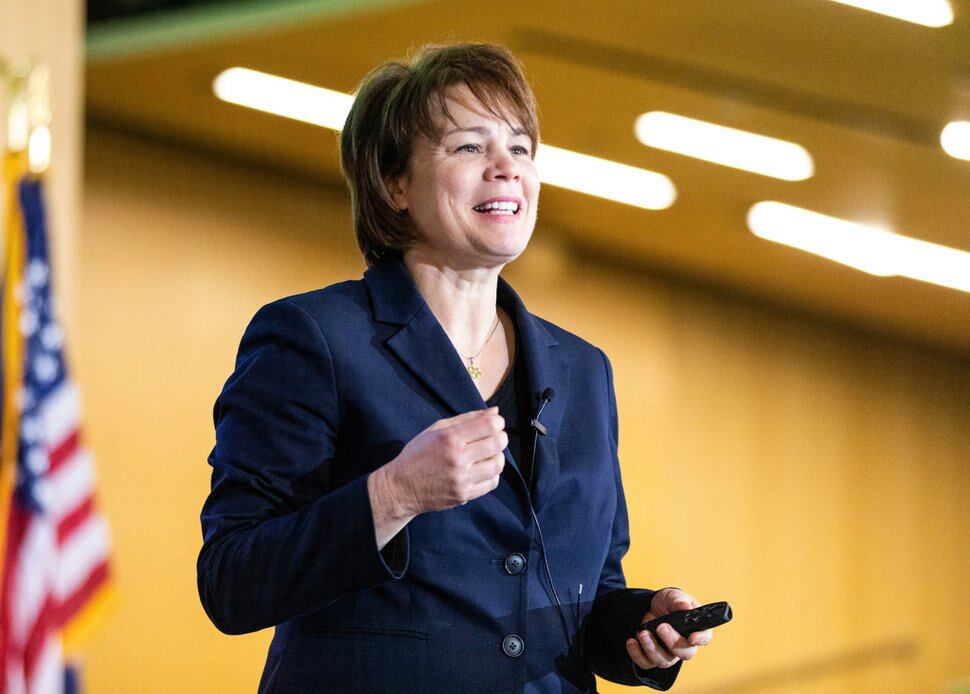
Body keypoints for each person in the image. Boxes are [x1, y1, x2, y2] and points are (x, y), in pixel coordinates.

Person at [197, 43, 713, 693]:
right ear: (395, 183)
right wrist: (395, 494)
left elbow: (586, 590)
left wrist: (637, 630)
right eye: (471, 147)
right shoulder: (315, 339)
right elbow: (233, 582)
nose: (506, 168)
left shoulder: (583, 371)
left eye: (521, 149)